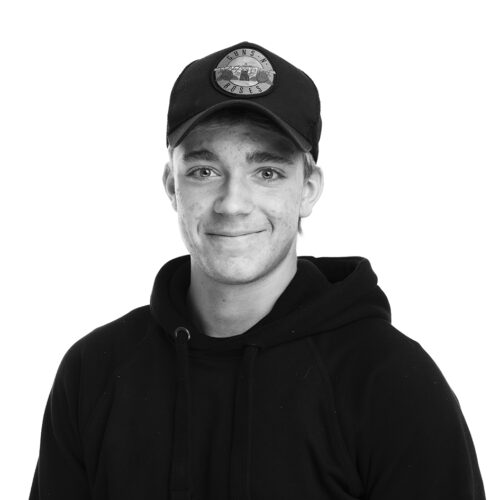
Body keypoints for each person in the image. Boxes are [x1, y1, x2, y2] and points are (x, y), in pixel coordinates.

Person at [29, 41, 486, 500]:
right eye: (204, 171)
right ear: (172, 186)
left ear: (308, 189)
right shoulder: (94, 372)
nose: (232, 204)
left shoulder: (392, 382)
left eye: (267, 172)